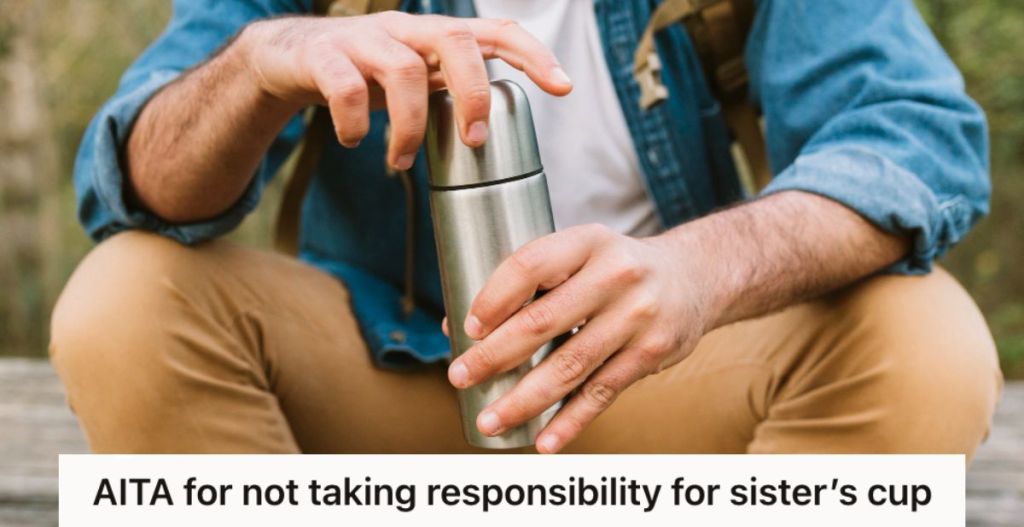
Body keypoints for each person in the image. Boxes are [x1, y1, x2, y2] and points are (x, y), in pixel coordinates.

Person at [52, 0, 1002, 456]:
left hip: (654, 378)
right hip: (391, 368)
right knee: (127, 297)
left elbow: (917, 135)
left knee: (922, 340)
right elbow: (132, 182)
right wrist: (262, 62)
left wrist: (697, 270)